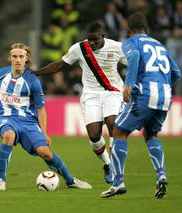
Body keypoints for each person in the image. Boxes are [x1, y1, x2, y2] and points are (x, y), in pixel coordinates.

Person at [33, 22, 127, 184]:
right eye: (89, 39)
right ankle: (108, 164)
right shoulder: (79, 48)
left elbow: (133, 64)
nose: (91, 43)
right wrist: (35, 73)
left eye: (95, 40)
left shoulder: (117, 47)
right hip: (91, 95)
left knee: (112, 122)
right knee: (94, 136)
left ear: (103, 36)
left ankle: (117, 169)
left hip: (113, 92)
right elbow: (59, 65)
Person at [101, 12, 181, 199]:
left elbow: (135, 56)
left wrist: (128, 85)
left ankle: (118, 182)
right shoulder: (159, 45)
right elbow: (176, 72)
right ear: (146, 29)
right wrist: (163, 85)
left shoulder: (131, 42)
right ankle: (161, 174)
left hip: (145, 94)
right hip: (164, 96)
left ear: (129, 29)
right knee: (150, 134)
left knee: (119, 131)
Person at [0, 43, 92, 191]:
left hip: (28, 122)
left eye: (21, 56)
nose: (18, 60)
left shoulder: (33, 81)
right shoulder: (0, 75)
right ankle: (1, 180)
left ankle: (71, 180)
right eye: (15, 56)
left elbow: (41, 109)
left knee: (44, 152)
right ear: (9, 58)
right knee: (8, 136)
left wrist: (44, 132)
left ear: (26, 59)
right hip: (9, 118)